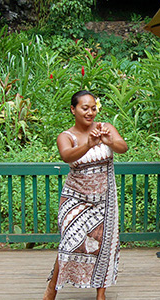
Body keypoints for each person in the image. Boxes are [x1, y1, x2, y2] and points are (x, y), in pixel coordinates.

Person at [44, 90, 128, 300]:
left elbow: (123, 147)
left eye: (93, 108)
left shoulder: (105, 128)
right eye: (85, 108)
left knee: (105, 244)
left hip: (104, 200)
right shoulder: (66, 136)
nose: (90, 112)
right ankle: (51, 289)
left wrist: (108, 141)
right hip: (75, 199)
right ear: (73, 109)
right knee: (68, 242)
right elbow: (66, 156)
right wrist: (88, 145)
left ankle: (101, 294)